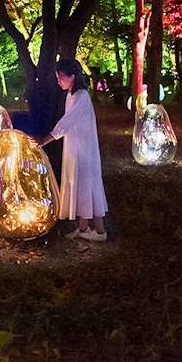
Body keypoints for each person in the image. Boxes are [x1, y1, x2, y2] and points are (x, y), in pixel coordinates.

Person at [38, 59, 109, 241]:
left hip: (84, 150)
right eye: (57, 77)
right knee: (80, 186)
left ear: (72, 77)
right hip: (74, 149)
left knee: (88, 186)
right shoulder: (71, 94)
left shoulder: (81, 96)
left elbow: (66, 123)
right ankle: (84, 229)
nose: (58, 81)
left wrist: (44, 140)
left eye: (61, 77)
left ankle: (100, 231)